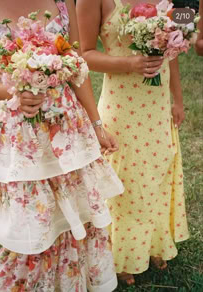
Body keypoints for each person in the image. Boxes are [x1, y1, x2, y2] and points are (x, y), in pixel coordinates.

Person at [0, 0, 124, 290]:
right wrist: (14, 90)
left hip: (68, 135)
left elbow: (78, 68)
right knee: (33, 228)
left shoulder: (61, 1)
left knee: (75, 218)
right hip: (20, 142)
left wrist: (96, 123)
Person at [77, 0, 189, 285]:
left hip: (158, 103)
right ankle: (120, 254)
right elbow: (83, 56)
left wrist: (177, 98)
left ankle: (153, 243)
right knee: (126, 180)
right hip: (122, 106)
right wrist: (130, 63)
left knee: (156, 173)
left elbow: (171, 53)